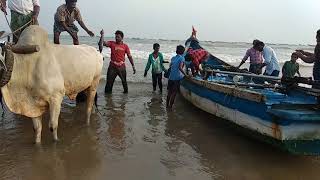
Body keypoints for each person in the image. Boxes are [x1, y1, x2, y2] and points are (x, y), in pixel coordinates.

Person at [99, 29, 136, 94]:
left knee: (124, 83)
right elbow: (102, 43)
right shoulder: (112, 43)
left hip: (122, 67)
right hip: (112, 67)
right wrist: (102, 35)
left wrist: (133, 66)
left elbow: (130, 56)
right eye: (115, 36)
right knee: (109, 84)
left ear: (122, 37)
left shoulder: (125, 46)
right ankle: (108, 99)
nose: (116, 38)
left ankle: (125, 98)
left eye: (118, 37)